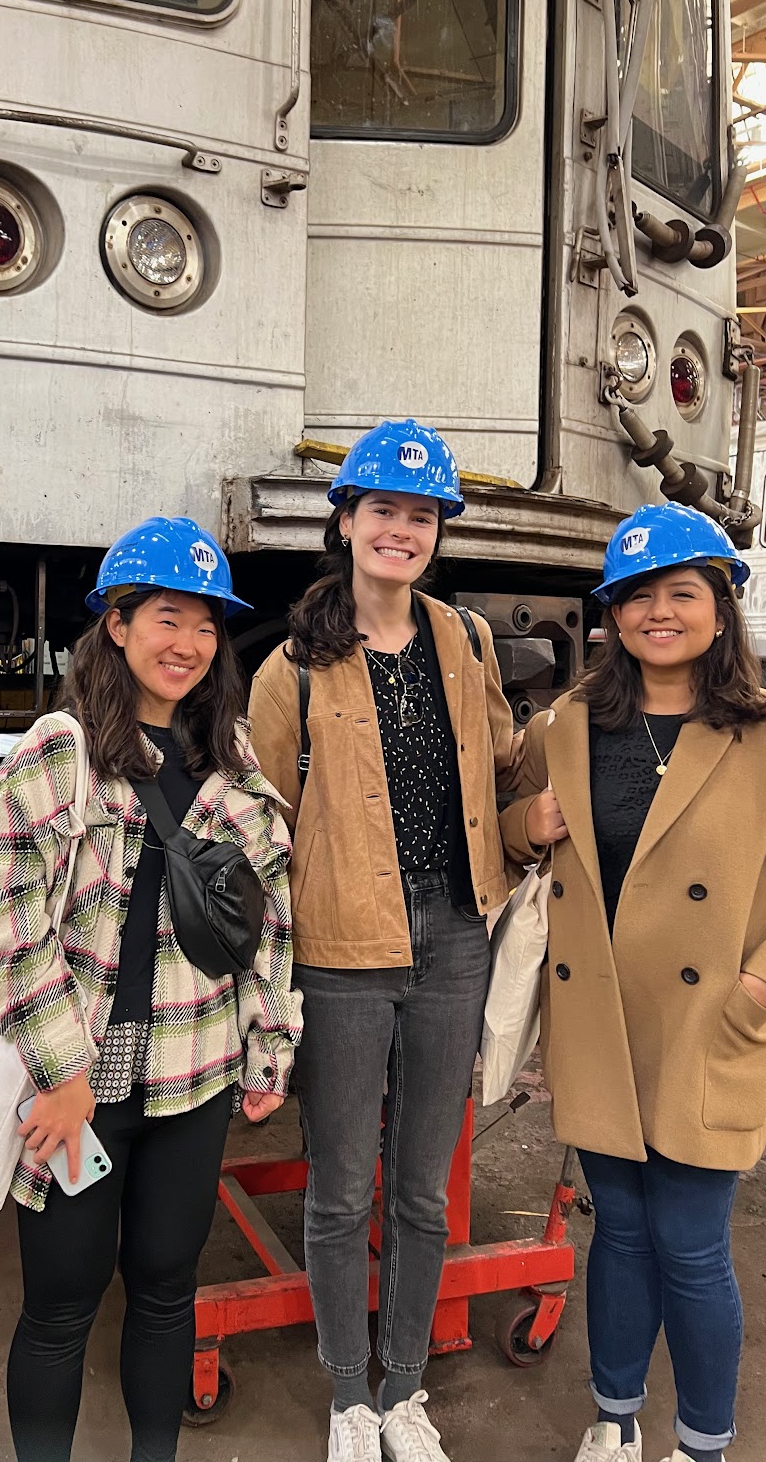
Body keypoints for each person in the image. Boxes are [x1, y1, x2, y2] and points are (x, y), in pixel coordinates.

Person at [0, 515, 303, 1462]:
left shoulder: (232, 759)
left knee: (166, 1292)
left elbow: (269, 916)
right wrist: (64, 1073)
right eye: (165, 619)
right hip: (81, 1087)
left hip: (196, 1074)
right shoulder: (58, 754)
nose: (186, 644)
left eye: (205, 626)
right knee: (60, 1308)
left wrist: (268, 1049)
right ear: (116, 623)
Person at [499, 503, 766, 1462]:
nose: (660, 612)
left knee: (691, 1244)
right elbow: (503, 831)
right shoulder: (567, 726)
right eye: (638, 595)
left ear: (720, 608)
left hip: (707, 1026)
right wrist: (528, 824)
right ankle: (614, 1421)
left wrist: (765, 985)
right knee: (618, 1231)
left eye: (683, 593)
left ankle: (701, 1444)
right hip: (599, 1022)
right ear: (611, 614)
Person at [247, 420, 518, 1462]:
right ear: (347, 521)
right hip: (341, 947)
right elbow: (267, 821)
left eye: (421, 515)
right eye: (383, 511)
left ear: (437, 532)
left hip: (454, 936)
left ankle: (405, 1389)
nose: (401, 530)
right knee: (337, 1186)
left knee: (420, 1188)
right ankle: (347, 1397)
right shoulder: (292, 667)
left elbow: (501, 761)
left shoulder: (467, 641)